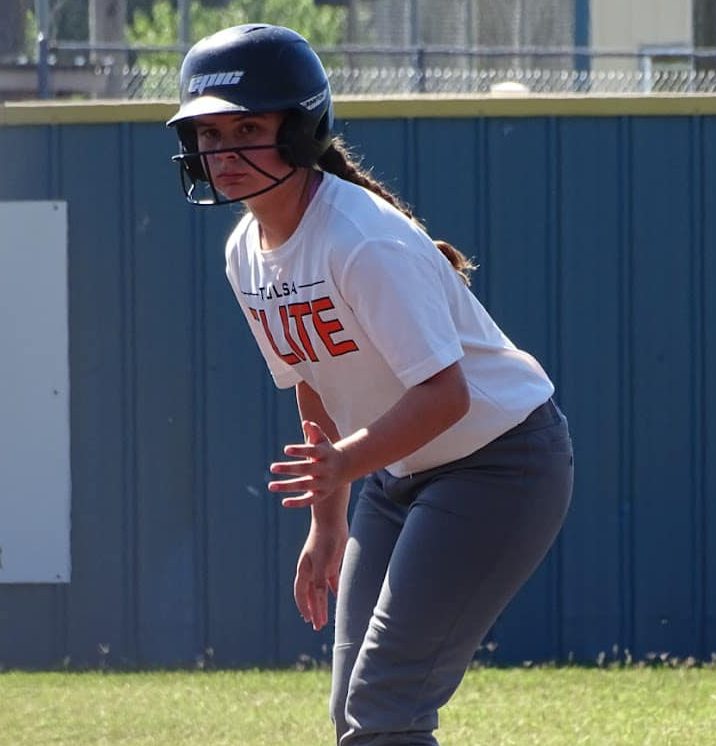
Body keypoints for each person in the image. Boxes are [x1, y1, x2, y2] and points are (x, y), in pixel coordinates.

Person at [167, 23, 574, 746]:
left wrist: (346, 465)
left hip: (498, 464)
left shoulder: (362, 237)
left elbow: (446, 396)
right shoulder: (244, 252)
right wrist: (328, 522)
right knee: (354, 711)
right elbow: (314, 385)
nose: (223, 151)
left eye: (248, 128)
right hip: (395, 471)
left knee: (384, 707)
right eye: (208, 133)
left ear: (301, 131)